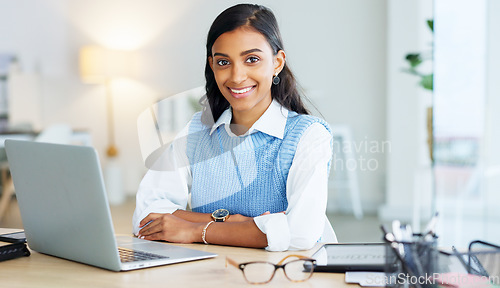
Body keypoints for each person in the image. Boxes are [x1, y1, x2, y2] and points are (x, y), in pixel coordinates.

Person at [133, 3, 337, 251]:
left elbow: (299, 234)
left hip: (286, 274)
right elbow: (147, 215)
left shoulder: (308, 135)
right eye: (223, 62)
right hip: (212, 270)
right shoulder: (198, 130)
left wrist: (195, 230)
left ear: (277, 62)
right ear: (212, 65)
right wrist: (237, 223)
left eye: (252, 59)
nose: (237, 76)